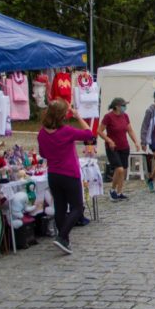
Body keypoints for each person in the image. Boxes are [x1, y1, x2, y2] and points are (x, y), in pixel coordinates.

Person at [37, 99, 94, 255]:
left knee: (60, 208)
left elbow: (42, 154)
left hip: (53, 174)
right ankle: (62, 236)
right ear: (62, 116)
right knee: (77, 207)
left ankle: (64, 240)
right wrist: (79, 117)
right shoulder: (66, 131)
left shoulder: (42, 133)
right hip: (69, 173)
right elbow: (89, 134)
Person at [97, 97, 139, 200]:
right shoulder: (108, 117)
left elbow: (130, 130)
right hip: (112, 147)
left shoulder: (125, 116)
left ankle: (120, 192)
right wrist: (109, 140)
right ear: (117, 106)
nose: (125, 107)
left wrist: (136, 142)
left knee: (123, 170)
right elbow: (99, 131)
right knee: (119, 169)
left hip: (124, 146)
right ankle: (112, 190)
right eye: (123, 105)